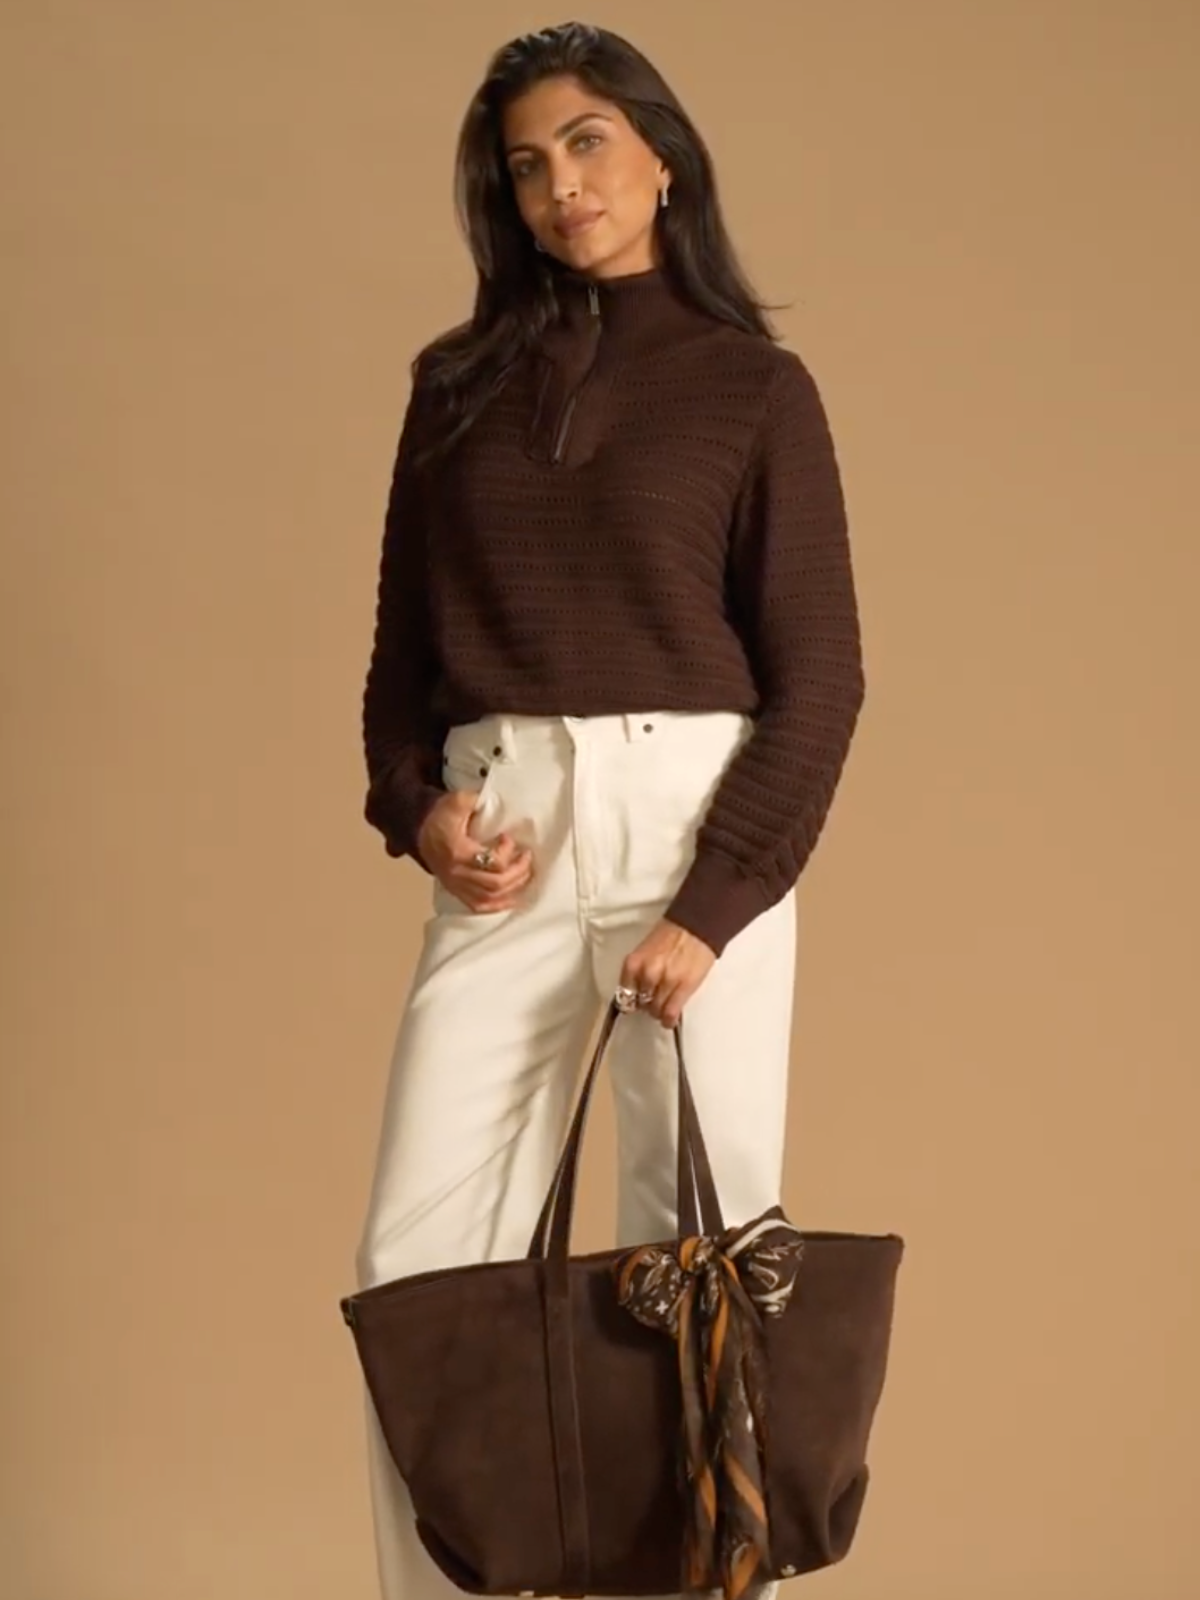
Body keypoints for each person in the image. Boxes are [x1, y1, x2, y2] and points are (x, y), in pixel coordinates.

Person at [353, 21, 865, 1600]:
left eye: (585, 144)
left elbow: (822, 681)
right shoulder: (453, 388)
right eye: (524, 164)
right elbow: (402, 677)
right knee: (417, 1272)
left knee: (686, 1273)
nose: (560, 185)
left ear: (659, 155)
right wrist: (419, 814)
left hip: (690, 827)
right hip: (505, 831)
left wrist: (712, 907)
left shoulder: (751, 388)